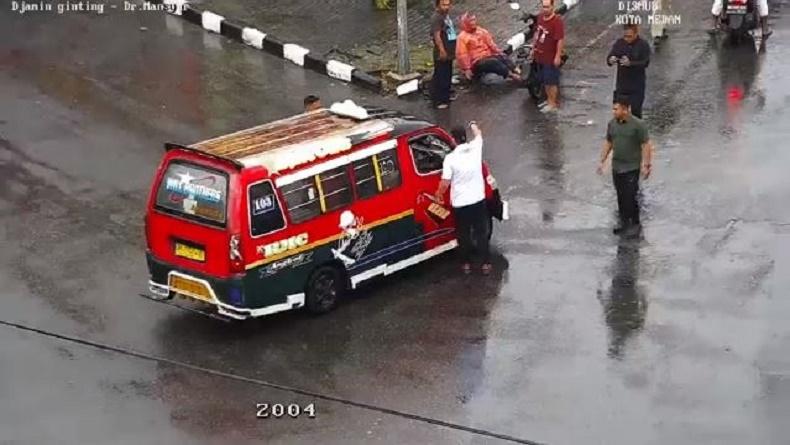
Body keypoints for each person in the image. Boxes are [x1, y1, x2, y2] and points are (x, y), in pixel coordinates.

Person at [434, 121, 492, 275]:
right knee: (481, 233)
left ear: (453, 139)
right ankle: (485, 263)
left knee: (463, 233)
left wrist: (438, 195)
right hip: (478, 200)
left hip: (460, 203)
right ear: (464, 137)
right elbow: (478, 134)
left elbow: (445, 182)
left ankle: (466, 264)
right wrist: (473, 124)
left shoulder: (450, 159)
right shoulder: (475, 148)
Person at [596, 96, 654, 238]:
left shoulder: (638, 125)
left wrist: (646, 165)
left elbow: (645, 145)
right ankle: (624, 223)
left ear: (625, 109)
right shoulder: (612, 124)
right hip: (617, 167)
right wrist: (602, 160)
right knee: (621, 196)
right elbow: (609, 142)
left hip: (632, 167)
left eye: (616, 109)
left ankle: (634, 223)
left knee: (630, 196)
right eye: (613, 108)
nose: (613, 111)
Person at [456, 12, 521, 83]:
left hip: (488, 56)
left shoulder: (481, 31)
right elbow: (462, 55)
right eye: (470, 21)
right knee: (493, 62)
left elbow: (491, 45)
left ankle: (517, 70)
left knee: (503, 57)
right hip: (476, 62)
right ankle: (511, 75)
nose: (473, 23)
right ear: (465, 23)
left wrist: (500, 53)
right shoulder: (462, 37)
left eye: (474, 20)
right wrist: (467, 69)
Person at [606, 24, 651, 119]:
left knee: (635, 113)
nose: (627, 39)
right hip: (622, 85)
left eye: (629, 36)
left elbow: (645, 63)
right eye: (625, 36)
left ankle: (637, 132)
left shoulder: (643, 45)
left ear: (636, 34)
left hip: (636, 86)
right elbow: (611, 56)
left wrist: (630, 63)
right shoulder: (620, 43)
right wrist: (611, 59)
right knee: (619, 113)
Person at [531, 0, 565, 113]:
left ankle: (552, 103)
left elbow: (560, 40)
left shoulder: (557, 22)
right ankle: (548, 100)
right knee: (545, 80)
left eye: (547, 7)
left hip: (550, 56)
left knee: (551, 81)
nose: (545, 9)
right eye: (543, 7)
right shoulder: (540, 18)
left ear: (552, 7)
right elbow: (537, 33)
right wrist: (533, 47)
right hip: (540, 55)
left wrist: (557, 56)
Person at [431, 0, 457, 109]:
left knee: (447, 75)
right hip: (442, 52)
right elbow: (437, 36)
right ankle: (438, 101)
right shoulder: (437, 18)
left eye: (448, 5)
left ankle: (445, 97)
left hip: (449, 51)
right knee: (441, 76)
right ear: (438, 5)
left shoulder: (445, 16)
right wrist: (442, 50)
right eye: (443, 5)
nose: (446, 7)